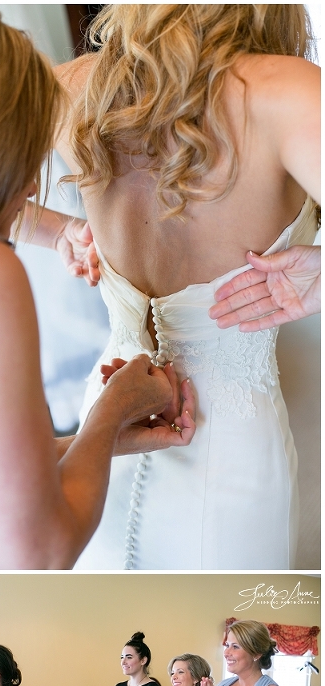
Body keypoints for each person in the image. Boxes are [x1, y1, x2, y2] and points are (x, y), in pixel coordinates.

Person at [51, 4, 320, 568]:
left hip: (107, 425)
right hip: (232, 450)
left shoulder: (77, 85)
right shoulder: (286, 92)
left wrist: (55, 232)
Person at [0, 4, 196, 571]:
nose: (35, 181)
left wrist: (102, 438)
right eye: (31, 150)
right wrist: (112, 409)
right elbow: (40, 554)